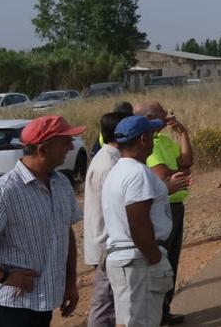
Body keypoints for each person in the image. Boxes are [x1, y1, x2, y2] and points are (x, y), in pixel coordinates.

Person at [0, 115, 85, 326]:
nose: (71, 145)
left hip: (42, 303)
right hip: (9, 307)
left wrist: (70, 283)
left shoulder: (61, 183)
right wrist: (4, 277)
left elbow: (66, 234)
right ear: (43, 149)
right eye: (65, 140)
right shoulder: (3, 192)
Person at [103, 115, 175, 327]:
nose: (153, 140)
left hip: (128, 258)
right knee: (142, 322)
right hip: (138, 259)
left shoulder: (118, 170)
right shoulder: (137, 173)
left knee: (129, 322)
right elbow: (138, 221)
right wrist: (154, 257)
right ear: (143, 139)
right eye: (152, 136)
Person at [137, 101, 192, 325]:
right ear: (151, 117)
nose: (170, 116)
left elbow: (187, 161)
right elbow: (162, 175)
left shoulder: (162, 140)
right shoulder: (146, 144)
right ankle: (157, 314)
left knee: (172, 260)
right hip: (163, 207)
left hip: (175, 205)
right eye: (163, 114)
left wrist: (183, 133)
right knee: (162, 261)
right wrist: (181, 171)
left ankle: (164, 311)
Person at [84, 110, 130, 327]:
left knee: (112, 299)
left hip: (109, 243)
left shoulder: (111, 158)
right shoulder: (108, 164)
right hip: (107, 244)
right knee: (105, 302)